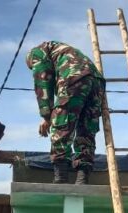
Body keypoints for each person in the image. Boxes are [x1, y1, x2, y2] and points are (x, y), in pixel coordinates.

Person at [25, 41, 105, 184]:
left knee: (62, 124)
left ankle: (61, 178)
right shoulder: (65, 51)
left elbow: (43, 82)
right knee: (87, 129)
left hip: (74, 77)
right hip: (96, 82)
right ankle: (82, 179)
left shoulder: (37, 53)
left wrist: (47, 116)